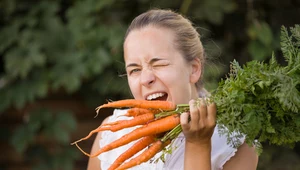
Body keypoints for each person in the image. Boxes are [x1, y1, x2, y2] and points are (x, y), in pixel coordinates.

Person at [87, 9, 258, 170]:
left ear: (193, 69)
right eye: (135, 70)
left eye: (159, 64)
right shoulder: (111, 133)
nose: (146, 79)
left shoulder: (235, 144)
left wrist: (198, 145)